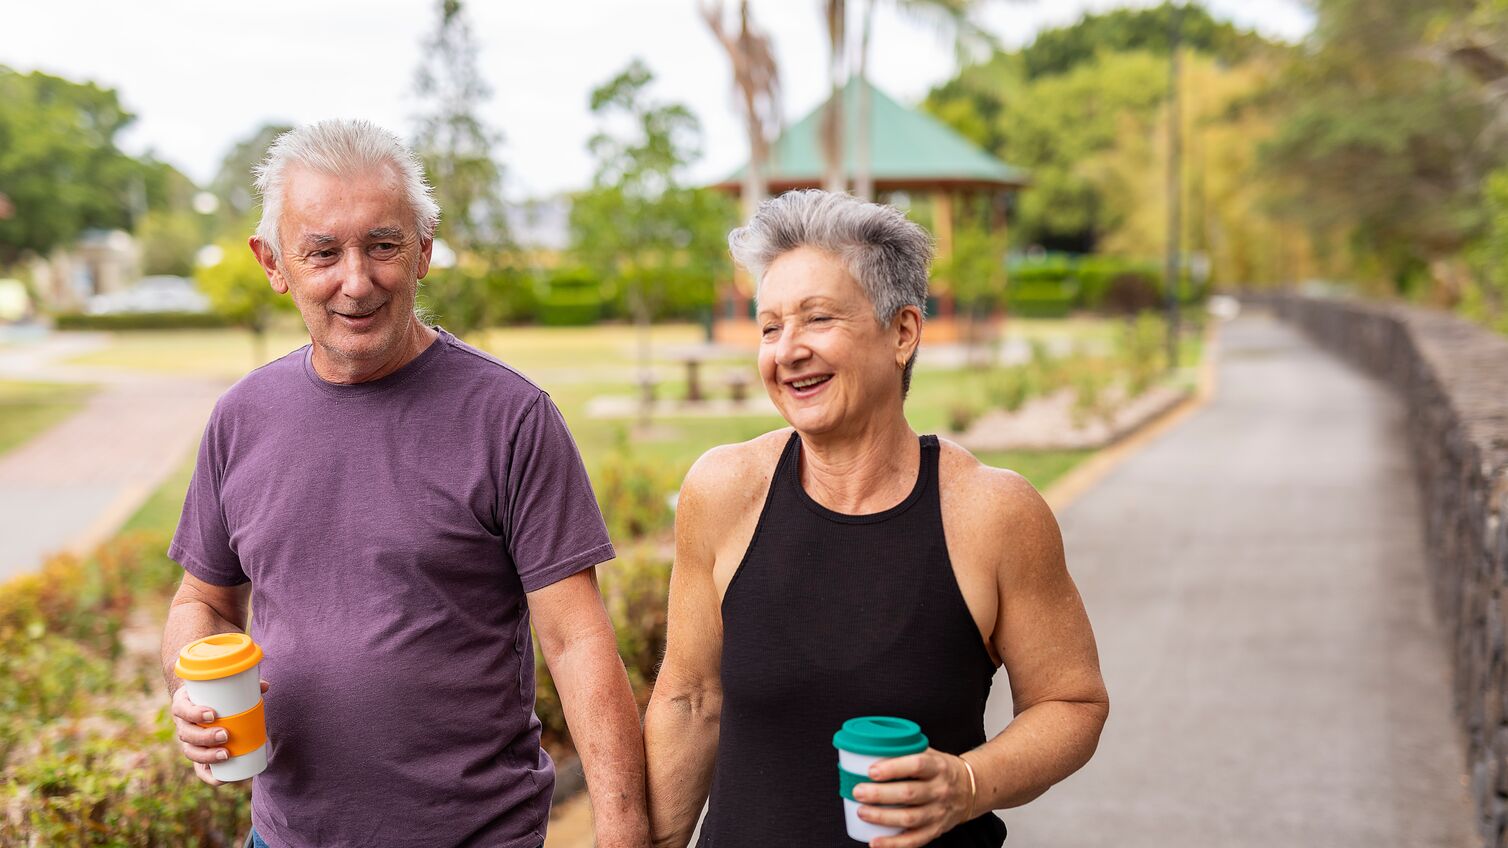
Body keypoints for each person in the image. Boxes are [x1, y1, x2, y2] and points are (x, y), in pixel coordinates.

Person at [159, 119, 649, 848]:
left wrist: (623, 831)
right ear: (273, 262)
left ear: (422, 252)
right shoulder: (241, 418)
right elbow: (202, 602)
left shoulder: (512, 418)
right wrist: (191, 693)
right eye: (322, 252)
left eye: (383, 245)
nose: (356, 281)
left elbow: (577, 645)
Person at [643, 190, 1109, 847]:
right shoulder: (723, 491)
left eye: (817, 318)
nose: (787, 351)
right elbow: (690, 700)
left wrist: (966, 785)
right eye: (770, 326)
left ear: (902, 332)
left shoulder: (993, 513)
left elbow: (1072, 704)